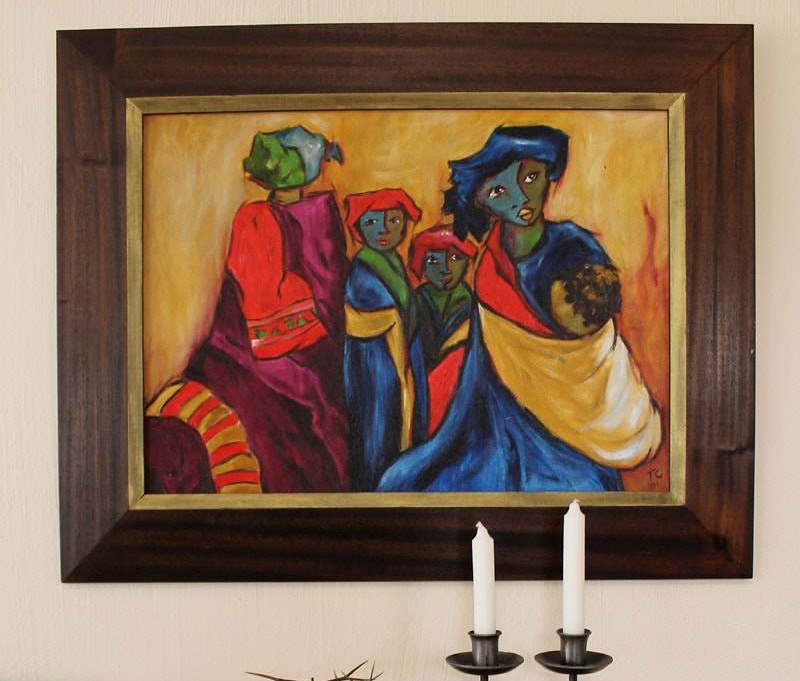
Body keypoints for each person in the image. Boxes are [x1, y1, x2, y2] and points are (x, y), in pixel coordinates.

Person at [378, 125, 661, 493]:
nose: (522, 198)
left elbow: (593, 325)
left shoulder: (574, 246)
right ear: (481, 202)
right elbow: (483, 359)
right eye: (500, 191)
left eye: (531, 178)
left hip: (571, 418)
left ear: (549, 175)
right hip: (494, 413)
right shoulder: (490, 261)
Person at [145, 125, 351, 494]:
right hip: (255, 357)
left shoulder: (317, 218)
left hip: (300, 362)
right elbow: (264, 303)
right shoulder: (257, 220)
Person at [342, 188, 423, 490]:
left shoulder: (394, 263)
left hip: (395, 360)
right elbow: (360, 320)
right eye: (372, 222)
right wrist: (391, 319)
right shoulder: (362, 269)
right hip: (373, 367)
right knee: (376, 429)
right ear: (359, 229)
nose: (384, 230)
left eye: (394, 221)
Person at [406, 224, 477, 436]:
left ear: (467, 262)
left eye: (455, 258)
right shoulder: (414, 302)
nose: (445, 268)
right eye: (432, 261)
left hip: (461, 401)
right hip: (421, 398)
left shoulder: (476, 307)